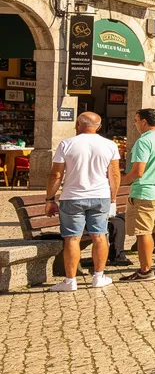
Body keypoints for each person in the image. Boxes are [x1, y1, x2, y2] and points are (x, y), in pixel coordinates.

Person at [44, 112, 120, 292]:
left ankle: (70, 281)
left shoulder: (67, 144)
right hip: (100, 196)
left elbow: (55, 175)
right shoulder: (110, 145)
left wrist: (49, 198)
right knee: (100, 236)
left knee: (72, 238)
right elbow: (115, 175)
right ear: (99, 126)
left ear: (78, 124)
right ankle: (98, 277)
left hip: (72, 197)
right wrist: (113, 199)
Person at [119, 108, 155, 282]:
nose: (135, 124)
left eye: (136, 120)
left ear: (144, 122)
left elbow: (138, 171)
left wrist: (122, 181)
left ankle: (145, 270)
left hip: (145, 192)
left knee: (143, 231)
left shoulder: (143, 141)